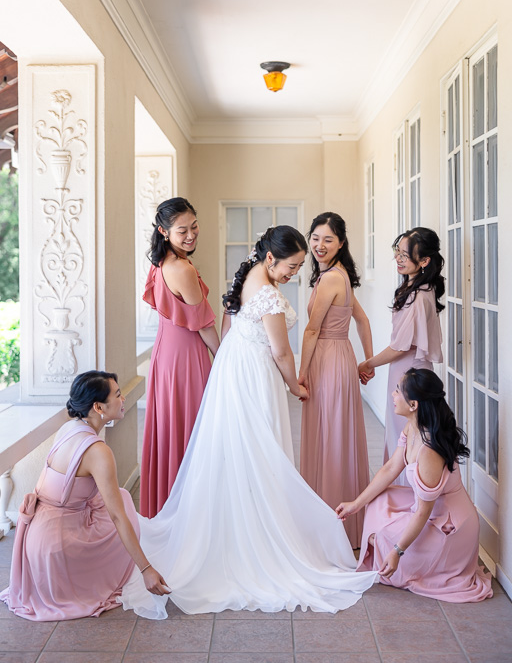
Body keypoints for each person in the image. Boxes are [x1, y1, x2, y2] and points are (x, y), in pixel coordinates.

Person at [120, 226, 377, 619]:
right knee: (261, 451)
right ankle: (256, 536)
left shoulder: (248, 273)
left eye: (299, 267)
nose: (294, 274)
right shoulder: (270, 297)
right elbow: (282, 353)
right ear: (272, 258)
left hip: (233, 368)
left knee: (237, 451)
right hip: (255, 374)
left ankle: (237, 529)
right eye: (291, 266)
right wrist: (296, 388)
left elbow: (227, 325)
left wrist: (225, 364)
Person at [0, 372, 170, 621]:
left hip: (37, 539)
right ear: (98, 406)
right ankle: (106, 572)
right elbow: (117, 517)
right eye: (118, 394)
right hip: (55, 551)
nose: (124, 399)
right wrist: (146, 569)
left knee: (120, 497)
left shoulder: (69, 428)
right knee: (121, 510)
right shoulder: (98, 451)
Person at [336, 368, 493, 602]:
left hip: (448, 526)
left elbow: (422, 512)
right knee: (378, 501)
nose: (392, 394)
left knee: (383, 542)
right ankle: (390, 547)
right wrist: (356, 504)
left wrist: (398, 551)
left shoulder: (429, 451)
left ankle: (418, 559)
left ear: (414, 405)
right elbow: (390, 469)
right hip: (429, 509)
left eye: (398, 390)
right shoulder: (412, 427)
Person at [140, 197, 220, 518]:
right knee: (191, 432)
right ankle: (190, 515)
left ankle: (169, 508)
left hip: (166, 357)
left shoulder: (160, 264)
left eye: (194, 226)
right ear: (164, 231)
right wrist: (224, 360)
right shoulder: (182, 268)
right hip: (186, 359)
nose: (191, 235)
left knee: (175, 430)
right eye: (182, 230)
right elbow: (204, 325)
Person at [299, 212, 372, 549]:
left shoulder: (330, 278)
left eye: (328, 239)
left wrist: (300, 373)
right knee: (338, 436)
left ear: (341, 243)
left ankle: (329, 525)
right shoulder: (338, 275)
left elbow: (312, 329)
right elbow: (362, 319)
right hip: (341, 357)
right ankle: (345, 524)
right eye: (315, 238)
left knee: (328, 437)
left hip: (327, 360)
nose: (319, 245)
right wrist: (366, 360)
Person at [358, 227, 444, 478]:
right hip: (406, 371)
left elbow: (399, 347)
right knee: (403, 435)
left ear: (424, 261)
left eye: (405, 255)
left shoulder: (418, 295)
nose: (398, 259)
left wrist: (366, 364)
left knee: (406, 439)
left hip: (410, 374)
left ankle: (407, 502)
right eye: (397, 252)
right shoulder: (417, 288)